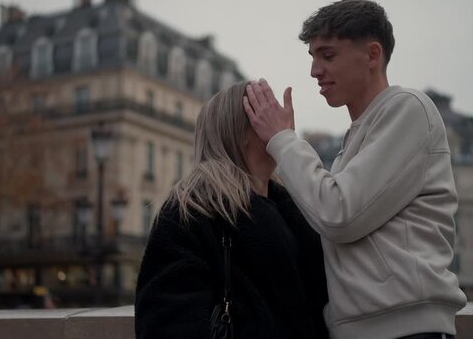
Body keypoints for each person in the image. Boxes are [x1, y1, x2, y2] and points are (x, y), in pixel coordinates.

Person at [243, 0, 467, 339]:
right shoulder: (357, 140)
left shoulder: (409, 108)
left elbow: (338, 213)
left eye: (327, 55)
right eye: (313, 57)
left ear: (373, 55)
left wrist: (282, 139)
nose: (314, 70)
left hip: (405, 331)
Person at [134, 81, 328, 339]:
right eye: (264, 113)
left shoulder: (293, 207)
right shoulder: (193, 208)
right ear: (238, 130)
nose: (280, 122)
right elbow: (167, 319)